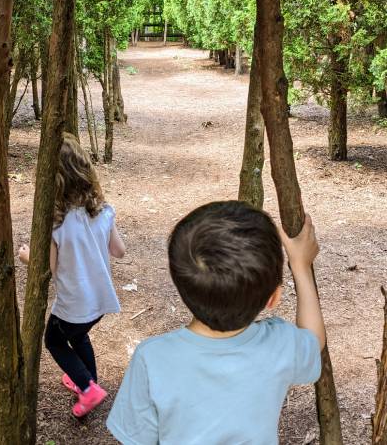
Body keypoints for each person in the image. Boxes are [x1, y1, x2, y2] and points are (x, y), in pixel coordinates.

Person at [107, 201, 326, 443]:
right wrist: (301, 265)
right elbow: (314, 339)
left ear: (180, 285)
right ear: (273, 298)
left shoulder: (152, 359)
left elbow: (137, 438)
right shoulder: (280, 345)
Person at [19, 133, 126, 417]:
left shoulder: (57, 224)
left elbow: (49, 268)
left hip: (73, 305)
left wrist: (26, 255)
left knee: (54, 341)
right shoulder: (103, 211)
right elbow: (119, 250)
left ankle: (88, 389)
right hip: (99, 303)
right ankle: (88, 383)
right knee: (79, 337)